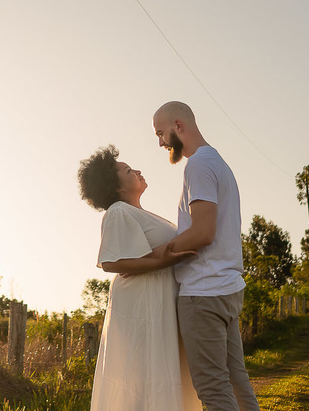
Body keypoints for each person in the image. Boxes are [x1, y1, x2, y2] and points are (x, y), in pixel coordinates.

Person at [154, 101, 261, 411]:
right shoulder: (217, 162)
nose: (160, 143)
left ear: (178, 126)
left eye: (160, 133)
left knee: (213, 389)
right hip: (226, 289)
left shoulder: (198, 165)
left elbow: (203, 232)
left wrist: (159, 253)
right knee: (236, 381)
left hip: (203, 293)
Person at [77, 145, 202, 411]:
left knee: (161, 374)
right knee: (143, 374)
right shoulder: (118, 211)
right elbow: (111, 262)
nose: (138, 171)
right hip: (142, 304)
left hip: (157, 298)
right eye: (128, 171)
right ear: (117, 187)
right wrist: (166, 260)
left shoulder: (139, 213)